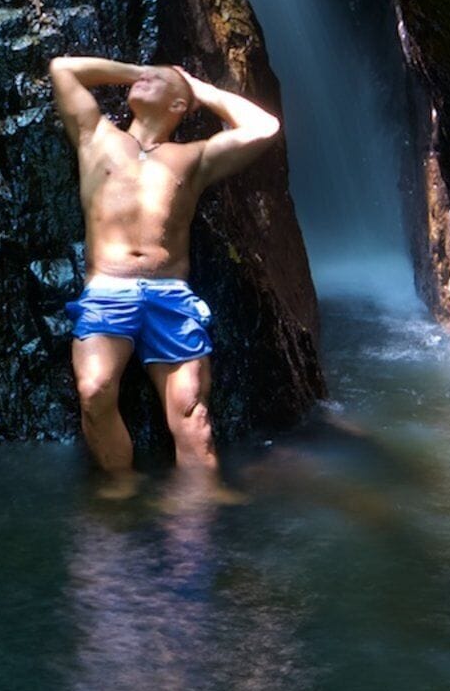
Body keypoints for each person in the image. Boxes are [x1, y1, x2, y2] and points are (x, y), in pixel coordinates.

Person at [45, 55, 282, 485]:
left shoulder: (192, 158)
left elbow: (265, 127)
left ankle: (194, 529)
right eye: (142, 75)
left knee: (192, 409)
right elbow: (63, 68)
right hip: (106, 290)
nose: (145, 77)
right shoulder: (96, 136)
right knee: (94, 389)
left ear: (178, 106)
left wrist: (198, 89)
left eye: (158, 79)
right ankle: (120, 496)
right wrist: (138, 73)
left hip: (170, 294)